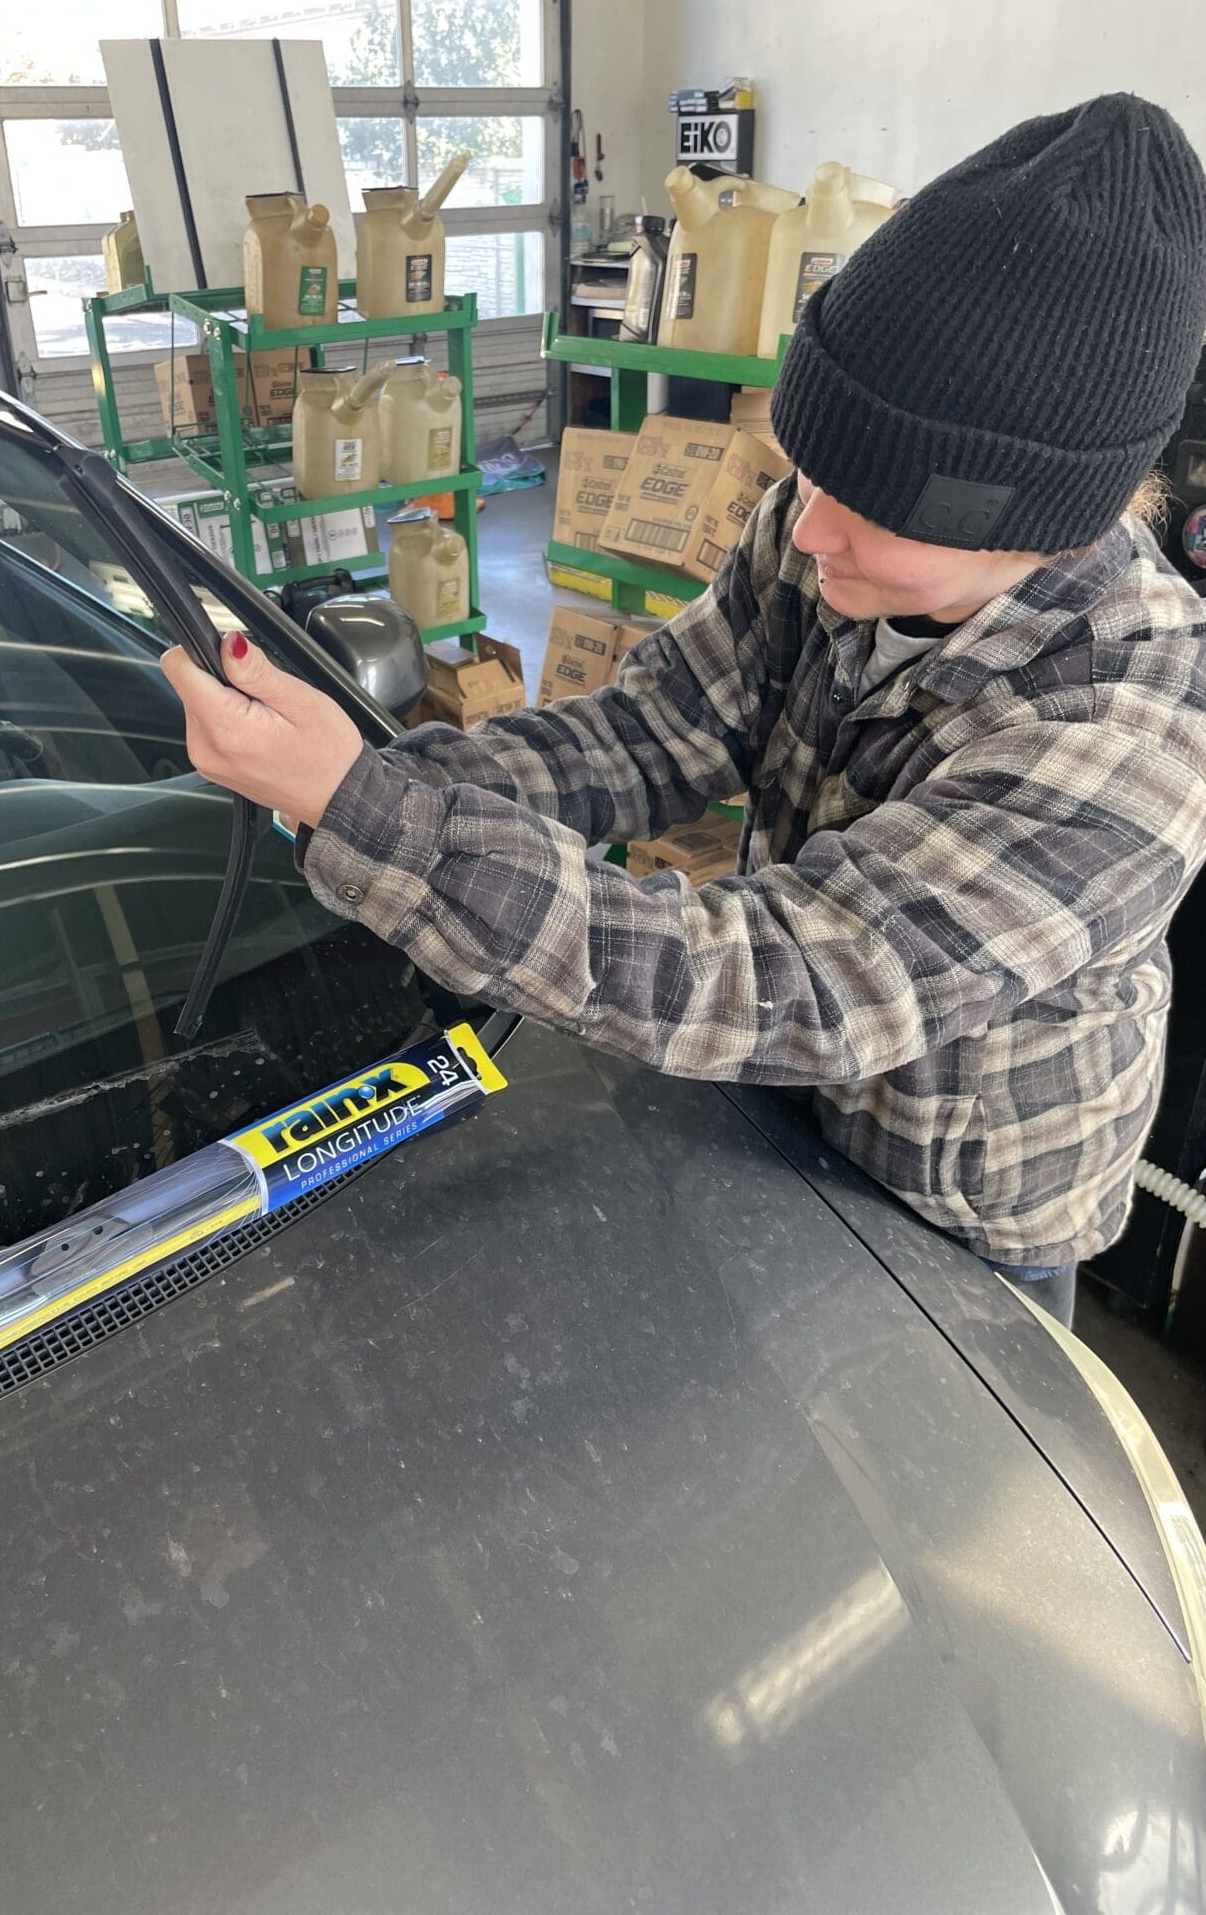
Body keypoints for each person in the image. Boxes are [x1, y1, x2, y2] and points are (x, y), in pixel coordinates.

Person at [164, 95, 1206, 1328]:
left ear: (1048, 525)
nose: (807, 530)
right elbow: (646, 734)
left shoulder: (1134, 729)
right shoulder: (821, 532)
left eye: (873, 512)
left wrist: (373, 818)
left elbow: (783, 984)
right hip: (774, 1128)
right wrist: (383, 781)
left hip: (966, 1222)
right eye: (809, 471)